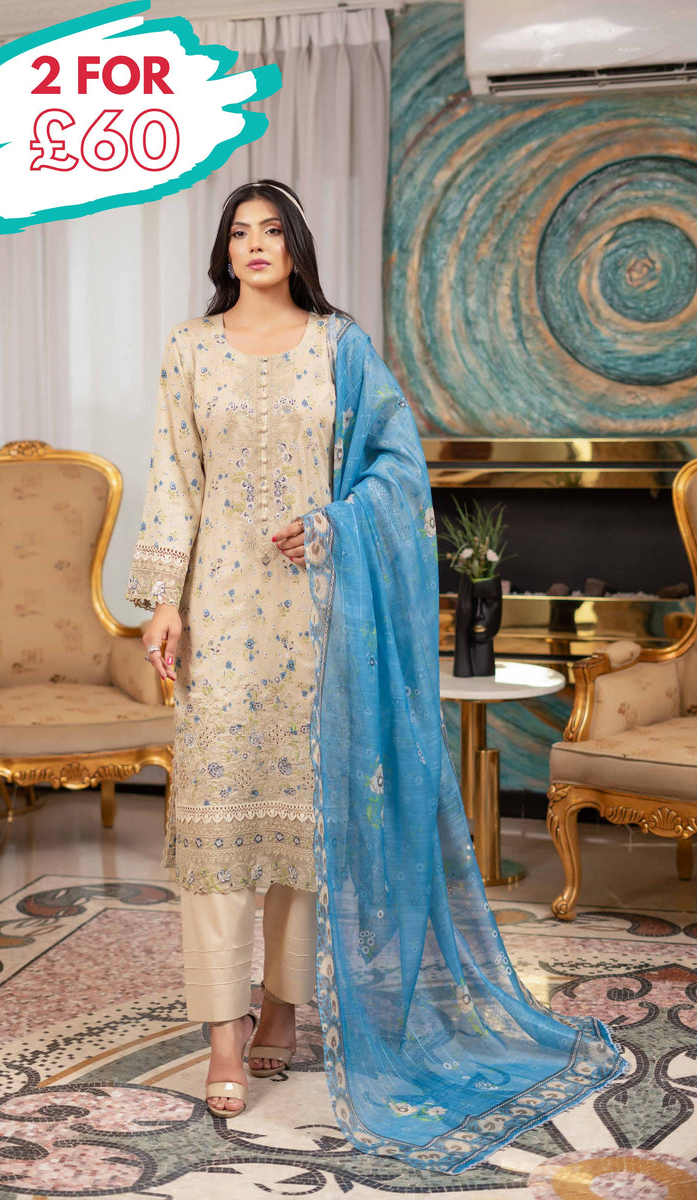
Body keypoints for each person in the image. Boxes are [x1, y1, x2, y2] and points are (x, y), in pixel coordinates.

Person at [127, 179, 627, 1171]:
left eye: (273, 230)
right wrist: (163, 599)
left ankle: (282, 1008)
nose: (256, 245)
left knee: (305, 825)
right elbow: (173, 477)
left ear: (295, 246)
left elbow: (396, 472)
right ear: (223, 252)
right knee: (218, 827)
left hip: (319, 619)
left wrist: (331, 526)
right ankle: (223, 1031)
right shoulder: (190, 347)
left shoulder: (339, 346)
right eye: (241, 232)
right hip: (222, 615)